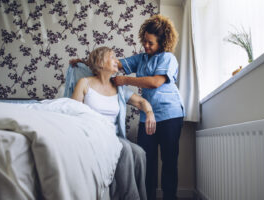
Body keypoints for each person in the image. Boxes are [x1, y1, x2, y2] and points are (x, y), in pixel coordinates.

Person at [111, 14, 185, 200]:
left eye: (151, 43)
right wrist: (86, 62)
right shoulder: (141, 58)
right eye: (145, 41)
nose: (146, 45)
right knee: (145, 161)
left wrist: (125, 80)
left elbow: (154, 82)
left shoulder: (168, 58)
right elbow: (115, 63)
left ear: (162, 42)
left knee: (168, 161)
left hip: (170, 115)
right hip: (147, 116)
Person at [70, 47, 156, 200]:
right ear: (100, 63)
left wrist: (149, 113)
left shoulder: (119, 88)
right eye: (112, 57)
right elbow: (73, 113)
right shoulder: (84, 83)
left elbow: (142, 102)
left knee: (140, 153)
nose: (117, 61)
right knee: (127, 151)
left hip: (114, 137)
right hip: (92, 136)